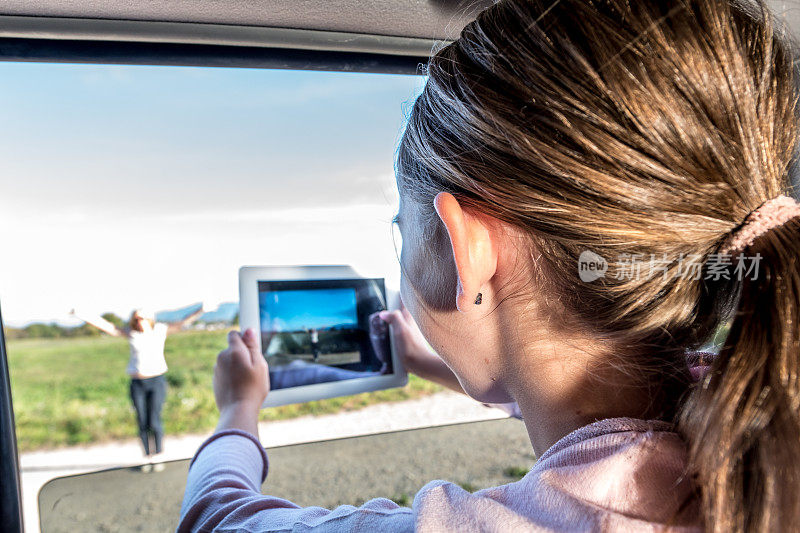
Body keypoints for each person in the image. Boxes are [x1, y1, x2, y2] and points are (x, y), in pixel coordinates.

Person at [178, 0, 800, 531]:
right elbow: (589, 410)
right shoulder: (745, 403)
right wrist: (433, 362)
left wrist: (238, 410)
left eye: (403, 236)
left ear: (464, 250)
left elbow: (219, 520)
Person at [71, 305, 204, 469]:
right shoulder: (131, 333)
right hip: (137, 383)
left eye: (142, 318)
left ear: (150, 319)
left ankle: (159, 455)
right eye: (136, 319)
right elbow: (106, 326)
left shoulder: (160, 331)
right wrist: (81, 313)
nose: (139, 321)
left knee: (155, 420)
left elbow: (183, 322)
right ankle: (147, 457)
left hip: (157, 381)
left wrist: (202, 310)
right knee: (142, 421)